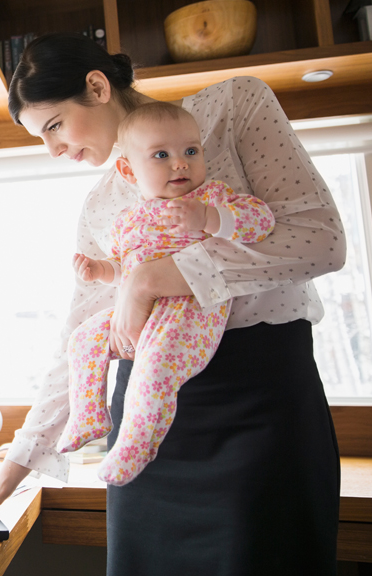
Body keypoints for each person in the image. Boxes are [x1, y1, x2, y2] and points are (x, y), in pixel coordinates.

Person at [0, 32, 344, 575]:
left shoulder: (235, 106)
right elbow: (77, 343)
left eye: (55, 125)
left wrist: (155, 279)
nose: (53, 149)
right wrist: (4, 478)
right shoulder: (100, 207)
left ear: (96, 86)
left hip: (262, 408)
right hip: (142, 430)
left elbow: (320, 239)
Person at [56, 102, 275, 486]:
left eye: (191, 151)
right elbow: (127, 270)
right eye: (162, 155)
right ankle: (89, 414)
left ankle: (136, 445)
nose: (180, 164)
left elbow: (262, 221)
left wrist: (209, 217)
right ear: (128, 170)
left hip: (191, 312)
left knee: (154, 371)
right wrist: (100, 270)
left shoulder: (212, 197)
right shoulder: (130, 220)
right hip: (139, 314)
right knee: (83, 339)